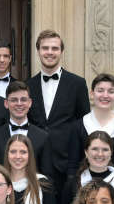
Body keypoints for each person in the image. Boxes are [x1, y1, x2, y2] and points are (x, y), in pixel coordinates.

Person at [26, 29, 90, 191]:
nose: (49, 52)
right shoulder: (28, 85)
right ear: (38, 51)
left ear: (61, 51)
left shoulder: (77, 84)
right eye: (45, 48)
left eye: (54, 48)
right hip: (35, 163)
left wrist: (80, 163)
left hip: (67, 164)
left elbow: (84, 124)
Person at [73, 73, 114, 186]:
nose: (105, 95)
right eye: (100, 90)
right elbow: (72, 166)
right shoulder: (79, 125)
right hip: (84, 188)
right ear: (92, 94)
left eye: (111, 91)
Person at [0, 80, 54, 179]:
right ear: (6, 103)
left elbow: (48, 176)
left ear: (30, 103)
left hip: (34, 192)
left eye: (23, 100)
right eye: (14, 100)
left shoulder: (43, 137)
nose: (19, 104)